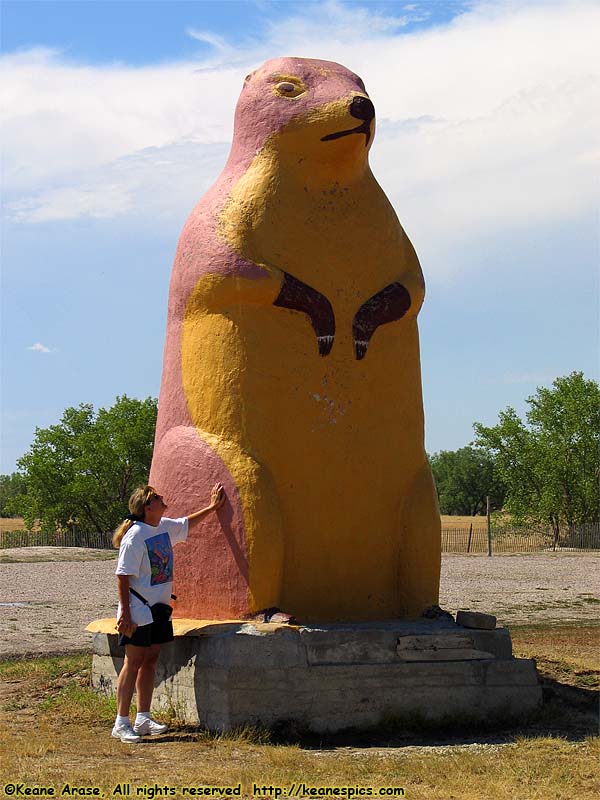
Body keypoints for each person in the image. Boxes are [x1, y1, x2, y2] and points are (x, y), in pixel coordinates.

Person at [111, 482, 225, 743]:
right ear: (147, 506)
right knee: (133, 662)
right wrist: (126, 615)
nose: (164, 500)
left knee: (151, 659)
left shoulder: (162, 527)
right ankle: (121, 721)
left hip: (159, 609)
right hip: (138, 609)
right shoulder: (135, 536)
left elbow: (186, 524)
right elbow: (122, 576)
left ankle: (143, 717)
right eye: (158, 498)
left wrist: (212, 507)